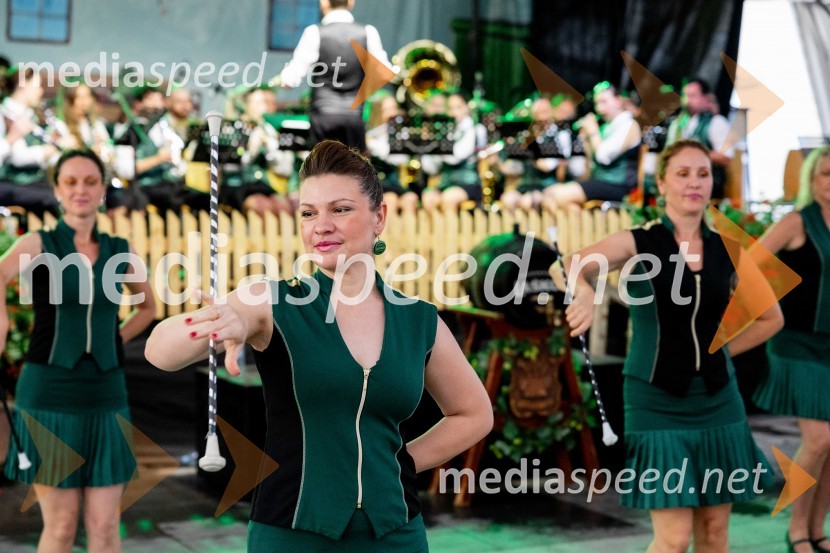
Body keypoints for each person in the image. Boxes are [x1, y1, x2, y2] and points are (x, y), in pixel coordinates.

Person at [145, 139, 493, 551]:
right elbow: (159, 352)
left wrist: (395, 464)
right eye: (309, 213)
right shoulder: (271, 302)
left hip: (397, 535)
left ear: (379, 217)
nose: (321, 226)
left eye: (340, 209)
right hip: (291, 535)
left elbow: (474, 414)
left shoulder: (419, 319)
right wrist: (221, 322)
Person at [561, 140, 781, 553]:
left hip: (719, 401)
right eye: (682, 174)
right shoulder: (638, 242)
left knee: (714, 533)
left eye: (703, 174)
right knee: (674, 540)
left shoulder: (729, 249)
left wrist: (720, 352)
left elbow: (771, 317)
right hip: (654, 400)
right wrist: (585, 292)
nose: (694, 183)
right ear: (661, 184)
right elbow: (571, 264)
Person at [1, 149, 156, 552]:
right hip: (48, 394)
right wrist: (1, 322)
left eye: (90, 181)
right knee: (62, 525)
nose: (80, 190)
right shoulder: (39, 243)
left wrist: (112, 339)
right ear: (57, 190)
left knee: (105, 525)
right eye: (70, 182)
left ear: (103, 190)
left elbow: (148, 308)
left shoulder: (120, 249)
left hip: (106, 395)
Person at [753, 146, 830, 553]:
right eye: (825, 174)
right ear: (811, 180)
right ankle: (796, 528)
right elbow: (749, 264)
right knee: (819, 440)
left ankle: (818, 530)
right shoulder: (797, 221)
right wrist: (771, 306)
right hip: (797, 344)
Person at [278, 0, 395, 151]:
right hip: (353, 118)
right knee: (352, 165)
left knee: (324, 164)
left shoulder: (315, 32)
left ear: (324, 2)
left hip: (323, 117)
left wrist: (283, 79)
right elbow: (384, 73)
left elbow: (289, 80)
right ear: (351, 2)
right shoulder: (367, 32)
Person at [543, 82, 641, 212]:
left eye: (604, 102)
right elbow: (592, 165)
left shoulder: (628, 124)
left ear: (618, 101)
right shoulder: (605, 126)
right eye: (597, 103)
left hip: (620, 186)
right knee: (550, 194)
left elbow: (603, 157)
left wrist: (593, 131)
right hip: (599, 182)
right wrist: (586, 140)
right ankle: (576, 224)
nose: (599, 109)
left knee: (559, 196)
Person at [0, 66, 61, 217]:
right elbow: (17, 158)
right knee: (53, 198)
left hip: (30, 181)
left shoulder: (28, 115)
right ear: (22, 84)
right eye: (37, 85)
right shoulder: (6, 114)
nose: (41, 91)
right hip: (9, 182)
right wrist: (49, 150)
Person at [222, 87, 293, 216]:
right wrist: (251, 150)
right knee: (261, 206)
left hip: (261, 186)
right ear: (244, 105)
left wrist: (268, 146)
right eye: (258, 103)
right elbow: (228, 167)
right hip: (236, 186)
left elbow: (284, 169)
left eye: (264, 103)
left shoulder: (268, 129)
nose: (263, 107)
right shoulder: (232, 129)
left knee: (283, 206)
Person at [666, 78, 733, 198]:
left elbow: (726, 157)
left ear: (705, 98)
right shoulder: (677, 124)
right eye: (685, 96)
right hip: (679, 188)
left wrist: (694, 154)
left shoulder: (716, 122)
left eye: (693, 96)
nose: (687, 100)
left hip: (709, 191)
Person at [421, 92, 486, 212]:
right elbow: (431, 169)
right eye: (451, 108)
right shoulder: (446, 131)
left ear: (467, 107)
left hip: (469, 183)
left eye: (459, 107)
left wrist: (436, 142)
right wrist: (427, 145)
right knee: (428, 197)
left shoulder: (475, 129)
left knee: (449, 198)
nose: (455, 112)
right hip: (446, 184)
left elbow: (456, 157)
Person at [365, 92, 418, 214]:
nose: (393, 113)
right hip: (377, 185)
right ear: (377, 112)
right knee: (390, 200)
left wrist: (373, 143)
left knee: (411, 198)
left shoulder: (400, 133)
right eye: (387, 110)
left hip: (395, 182)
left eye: (394, 108)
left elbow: (399, 158)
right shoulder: (369, 133)